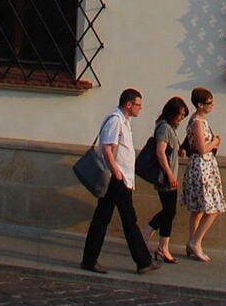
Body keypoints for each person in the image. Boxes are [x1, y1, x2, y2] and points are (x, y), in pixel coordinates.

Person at [81, 88, 157, 274]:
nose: (141, 108)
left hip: (121, 178)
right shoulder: (115, 121)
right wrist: (117, 173)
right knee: (115, 219)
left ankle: (142, 261)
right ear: (128, 104)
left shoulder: (124, 121)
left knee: (120, 219)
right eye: (138, 104)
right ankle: (142, 261)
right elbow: (107, 149)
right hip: (117, 179)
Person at [181, 86, 226, 260]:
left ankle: (192, 243)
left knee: (198, 209)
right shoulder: (197, 122)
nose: (211, 105)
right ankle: (195, 241)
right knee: (213, 207)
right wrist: (214, 142)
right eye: (209, 103)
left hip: (203, 166)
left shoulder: (198, 120)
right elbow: (201, 148)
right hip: (202, 167)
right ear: (200, 105)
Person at [142, 95, 189, 262]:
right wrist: (169, 174)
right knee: (169, 211)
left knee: (169, 211)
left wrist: (180, 152)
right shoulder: (164, 128)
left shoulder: (169, 128)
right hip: (166, 177)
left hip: (169, 175)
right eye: (181, 114)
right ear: (172, 112)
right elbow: (160, 152)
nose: (182, 118)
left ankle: (150, 238)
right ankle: (158, 245)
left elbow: (168, 150)